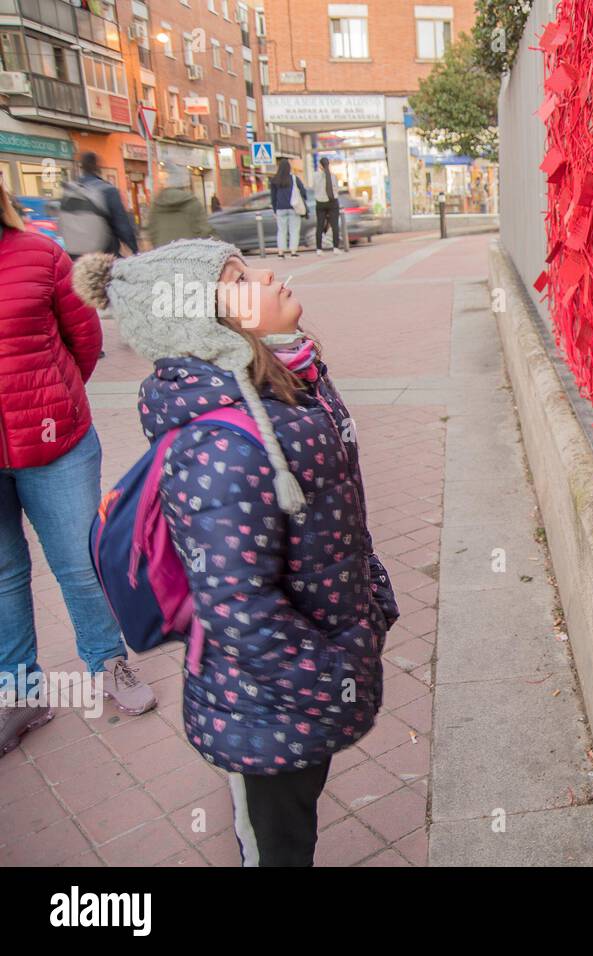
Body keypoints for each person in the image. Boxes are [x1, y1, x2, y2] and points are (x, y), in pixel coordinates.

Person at [71, 238, 398, 866]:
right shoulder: (224, 444)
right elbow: (238, 607)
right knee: (277, 848)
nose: (268, 274)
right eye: (239, 278)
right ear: (205, 322)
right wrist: (334, 678)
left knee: (297, 820)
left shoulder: (289, 382)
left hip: (310, 681)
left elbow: (335, 524)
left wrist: (370, 598)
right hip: (264, 707)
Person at [0, 176, 156, 758]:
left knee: (78, 561)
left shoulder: (39, 255)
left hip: (56, 445)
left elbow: (82, 340)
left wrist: (55, 401)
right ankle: (18, 693)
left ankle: (108, 663)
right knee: (4, 574)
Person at [59, 152, 138, 259]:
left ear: (82, 167)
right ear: (97, 166)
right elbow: (122, 227)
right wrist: (134, 250)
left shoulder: (69, 192)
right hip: (103, 256)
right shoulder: (108, 191)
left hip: (75, 257)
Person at [144, 162, 214, 249]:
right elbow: (204, 232)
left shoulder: (157, 203)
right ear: (183, 184)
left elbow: (151, 232)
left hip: (163, 254)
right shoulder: (192, 202)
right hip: (189, 254)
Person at [270, 158, 308, 259]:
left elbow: (273, 197)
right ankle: (293, 252)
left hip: (280, 209)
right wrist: (302, 199)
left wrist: (275, 210)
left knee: (281, 231)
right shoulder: (294, 179)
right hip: (293, 208)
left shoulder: (274, 180)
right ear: (289, 168)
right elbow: (303, 191)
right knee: (294, 230)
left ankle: (281, 252)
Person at [313, 157, 343, 255]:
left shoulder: (316, 176)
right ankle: (335, 248)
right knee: (334, 225)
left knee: (320, 225)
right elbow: (336, 189)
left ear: (320, 165)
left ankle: (319, 249)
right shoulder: (332, 176)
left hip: (320, 202)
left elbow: (314, 188)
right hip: (332, 202)